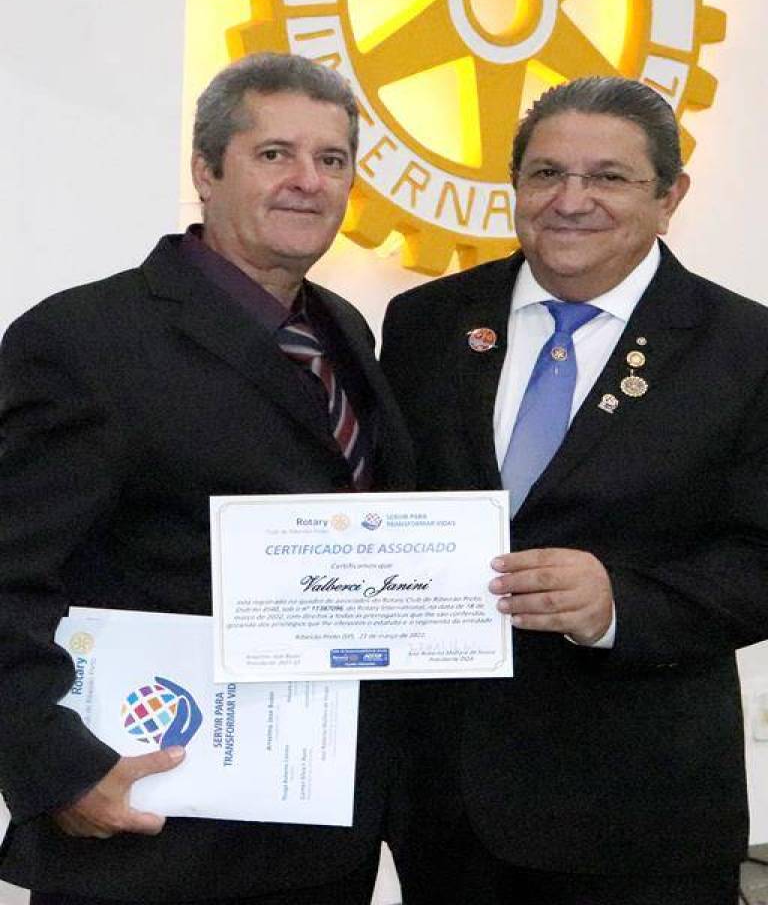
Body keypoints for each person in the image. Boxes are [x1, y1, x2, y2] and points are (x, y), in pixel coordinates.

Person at [0, 52, 414, 904]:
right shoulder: (86, 340)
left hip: (317, 837)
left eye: (332, 159)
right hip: (151, 837)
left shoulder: (345, 331)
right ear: (204, 171)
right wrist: (58, 768)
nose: (307, 181)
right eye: (274, 154)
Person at [380, 76, 768, 905]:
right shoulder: (424, 324)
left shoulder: (745, 348)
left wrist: (618, 605)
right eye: (547, 173)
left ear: (670, 197)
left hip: (641, 817)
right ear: (515, 186)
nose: (571, 200)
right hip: (446, 808)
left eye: (608, 177)